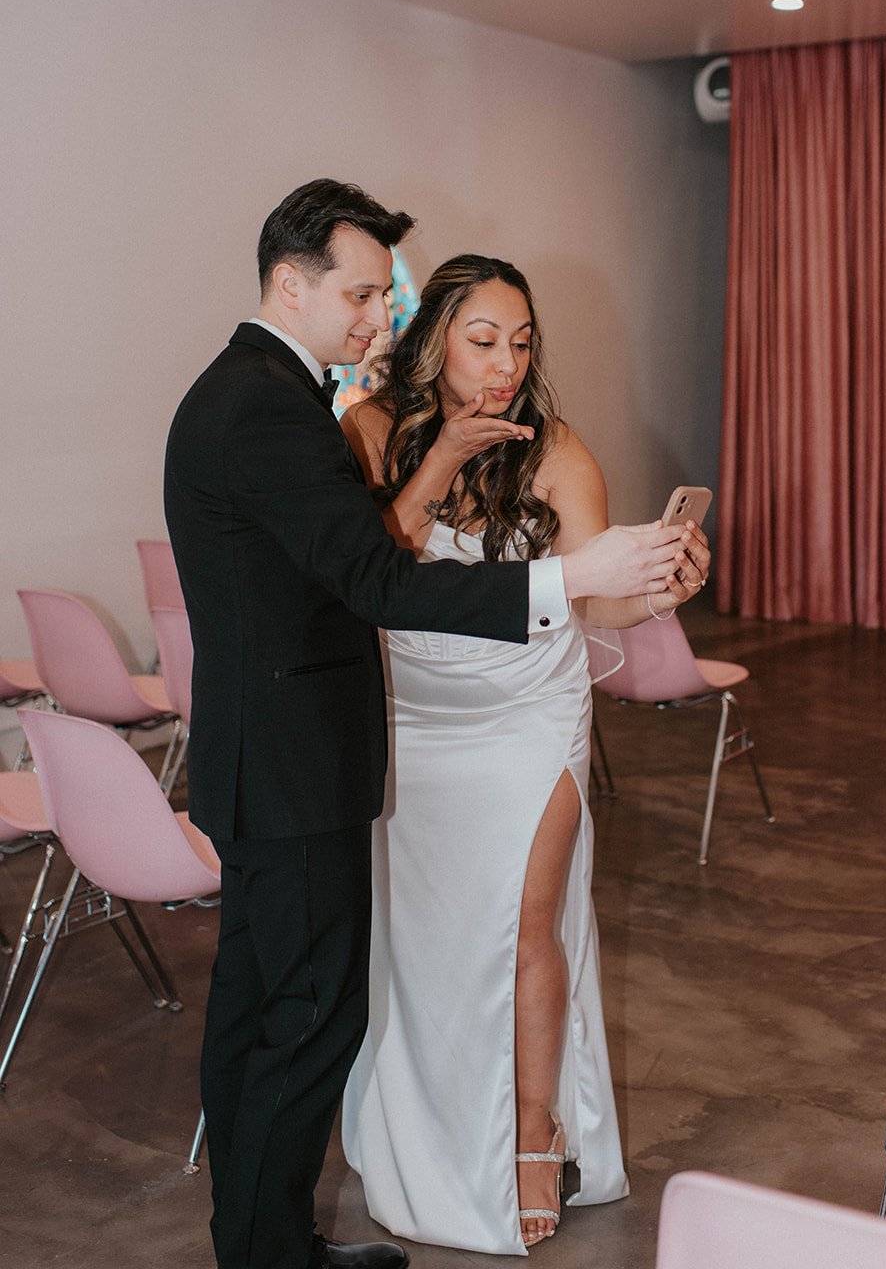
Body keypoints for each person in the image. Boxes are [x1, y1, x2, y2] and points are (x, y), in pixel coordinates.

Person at [163, 182, 689, 1269]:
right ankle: (268, 1249)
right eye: (361, 293)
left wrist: (623, 578)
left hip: (357, 748)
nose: (373, 319)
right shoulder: (273, 403)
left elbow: (342, 568)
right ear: (290, 282)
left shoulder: (254, 391)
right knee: (300, 1019)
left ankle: (268, 1237)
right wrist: (558, 572)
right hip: (307, 760)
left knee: (267, 1013)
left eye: (382, 296)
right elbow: (369, 575)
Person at [339, 254, 710, 1254]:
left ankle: (535, 1132)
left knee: (526, 925)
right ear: (434, 341)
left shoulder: (561, 454)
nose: (508, 364)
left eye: (523, 341)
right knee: (420, 938)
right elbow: (365, 560)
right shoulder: (369, 430)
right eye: (484, 340)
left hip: (528, 721)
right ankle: (427, 1113)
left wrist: (661, 583)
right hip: (411, 721)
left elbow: (595, 602)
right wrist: (446, 455)